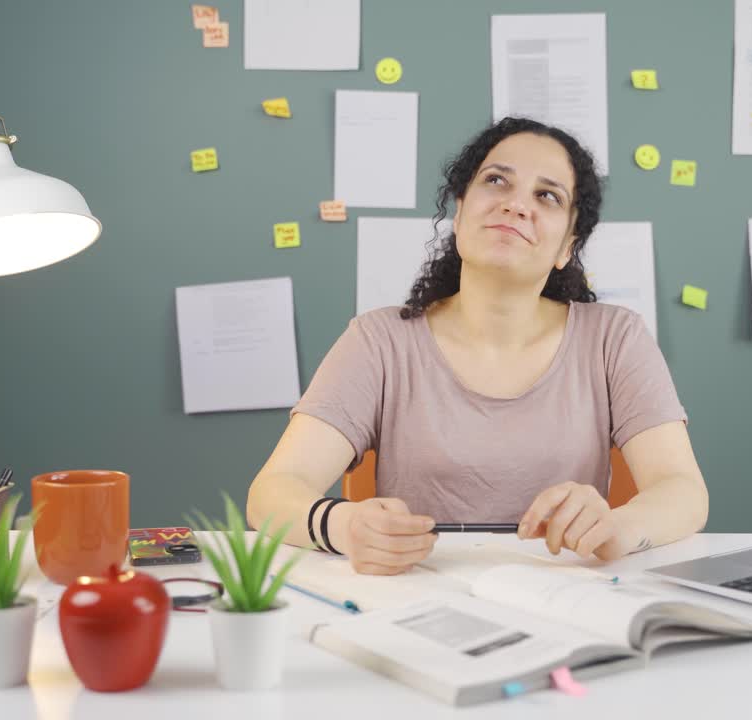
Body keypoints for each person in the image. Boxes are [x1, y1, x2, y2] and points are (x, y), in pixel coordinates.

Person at [247, 117, 707, 575]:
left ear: (568, 246)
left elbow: (683, 491)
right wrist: (343, 525)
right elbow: (271, 492)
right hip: (412, 595)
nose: (516, 204)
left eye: (547, 196)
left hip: (570, 593)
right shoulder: (378, 341)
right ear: (460, 211)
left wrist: (617, 527)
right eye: (496, 181)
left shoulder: (615, 339)